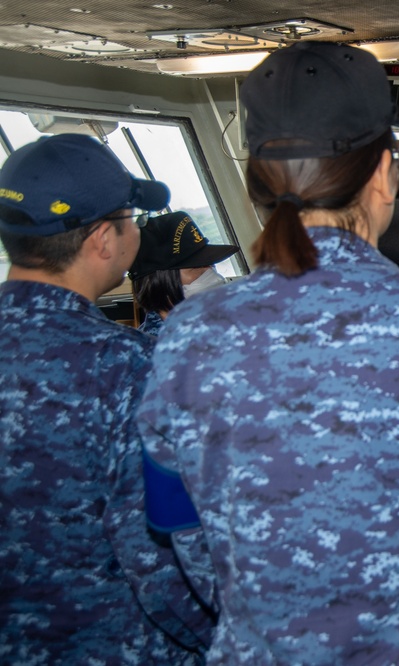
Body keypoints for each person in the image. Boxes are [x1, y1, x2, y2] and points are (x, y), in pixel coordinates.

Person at [136, 42, 399, 664]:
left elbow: (176, 531)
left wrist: (262, 621)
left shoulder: (188, 336)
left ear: (256, 183)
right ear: (386, 173)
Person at [0, 133, 213, 663]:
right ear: (102, 239)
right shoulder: (123, 368)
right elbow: (162, 557)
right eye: (132, 218)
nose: (137, 230)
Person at [128, 211, 239, 336]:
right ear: (159, 283)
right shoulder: (151, 349)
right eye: (197, 267)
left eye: (211, 264)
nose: (212, 274)